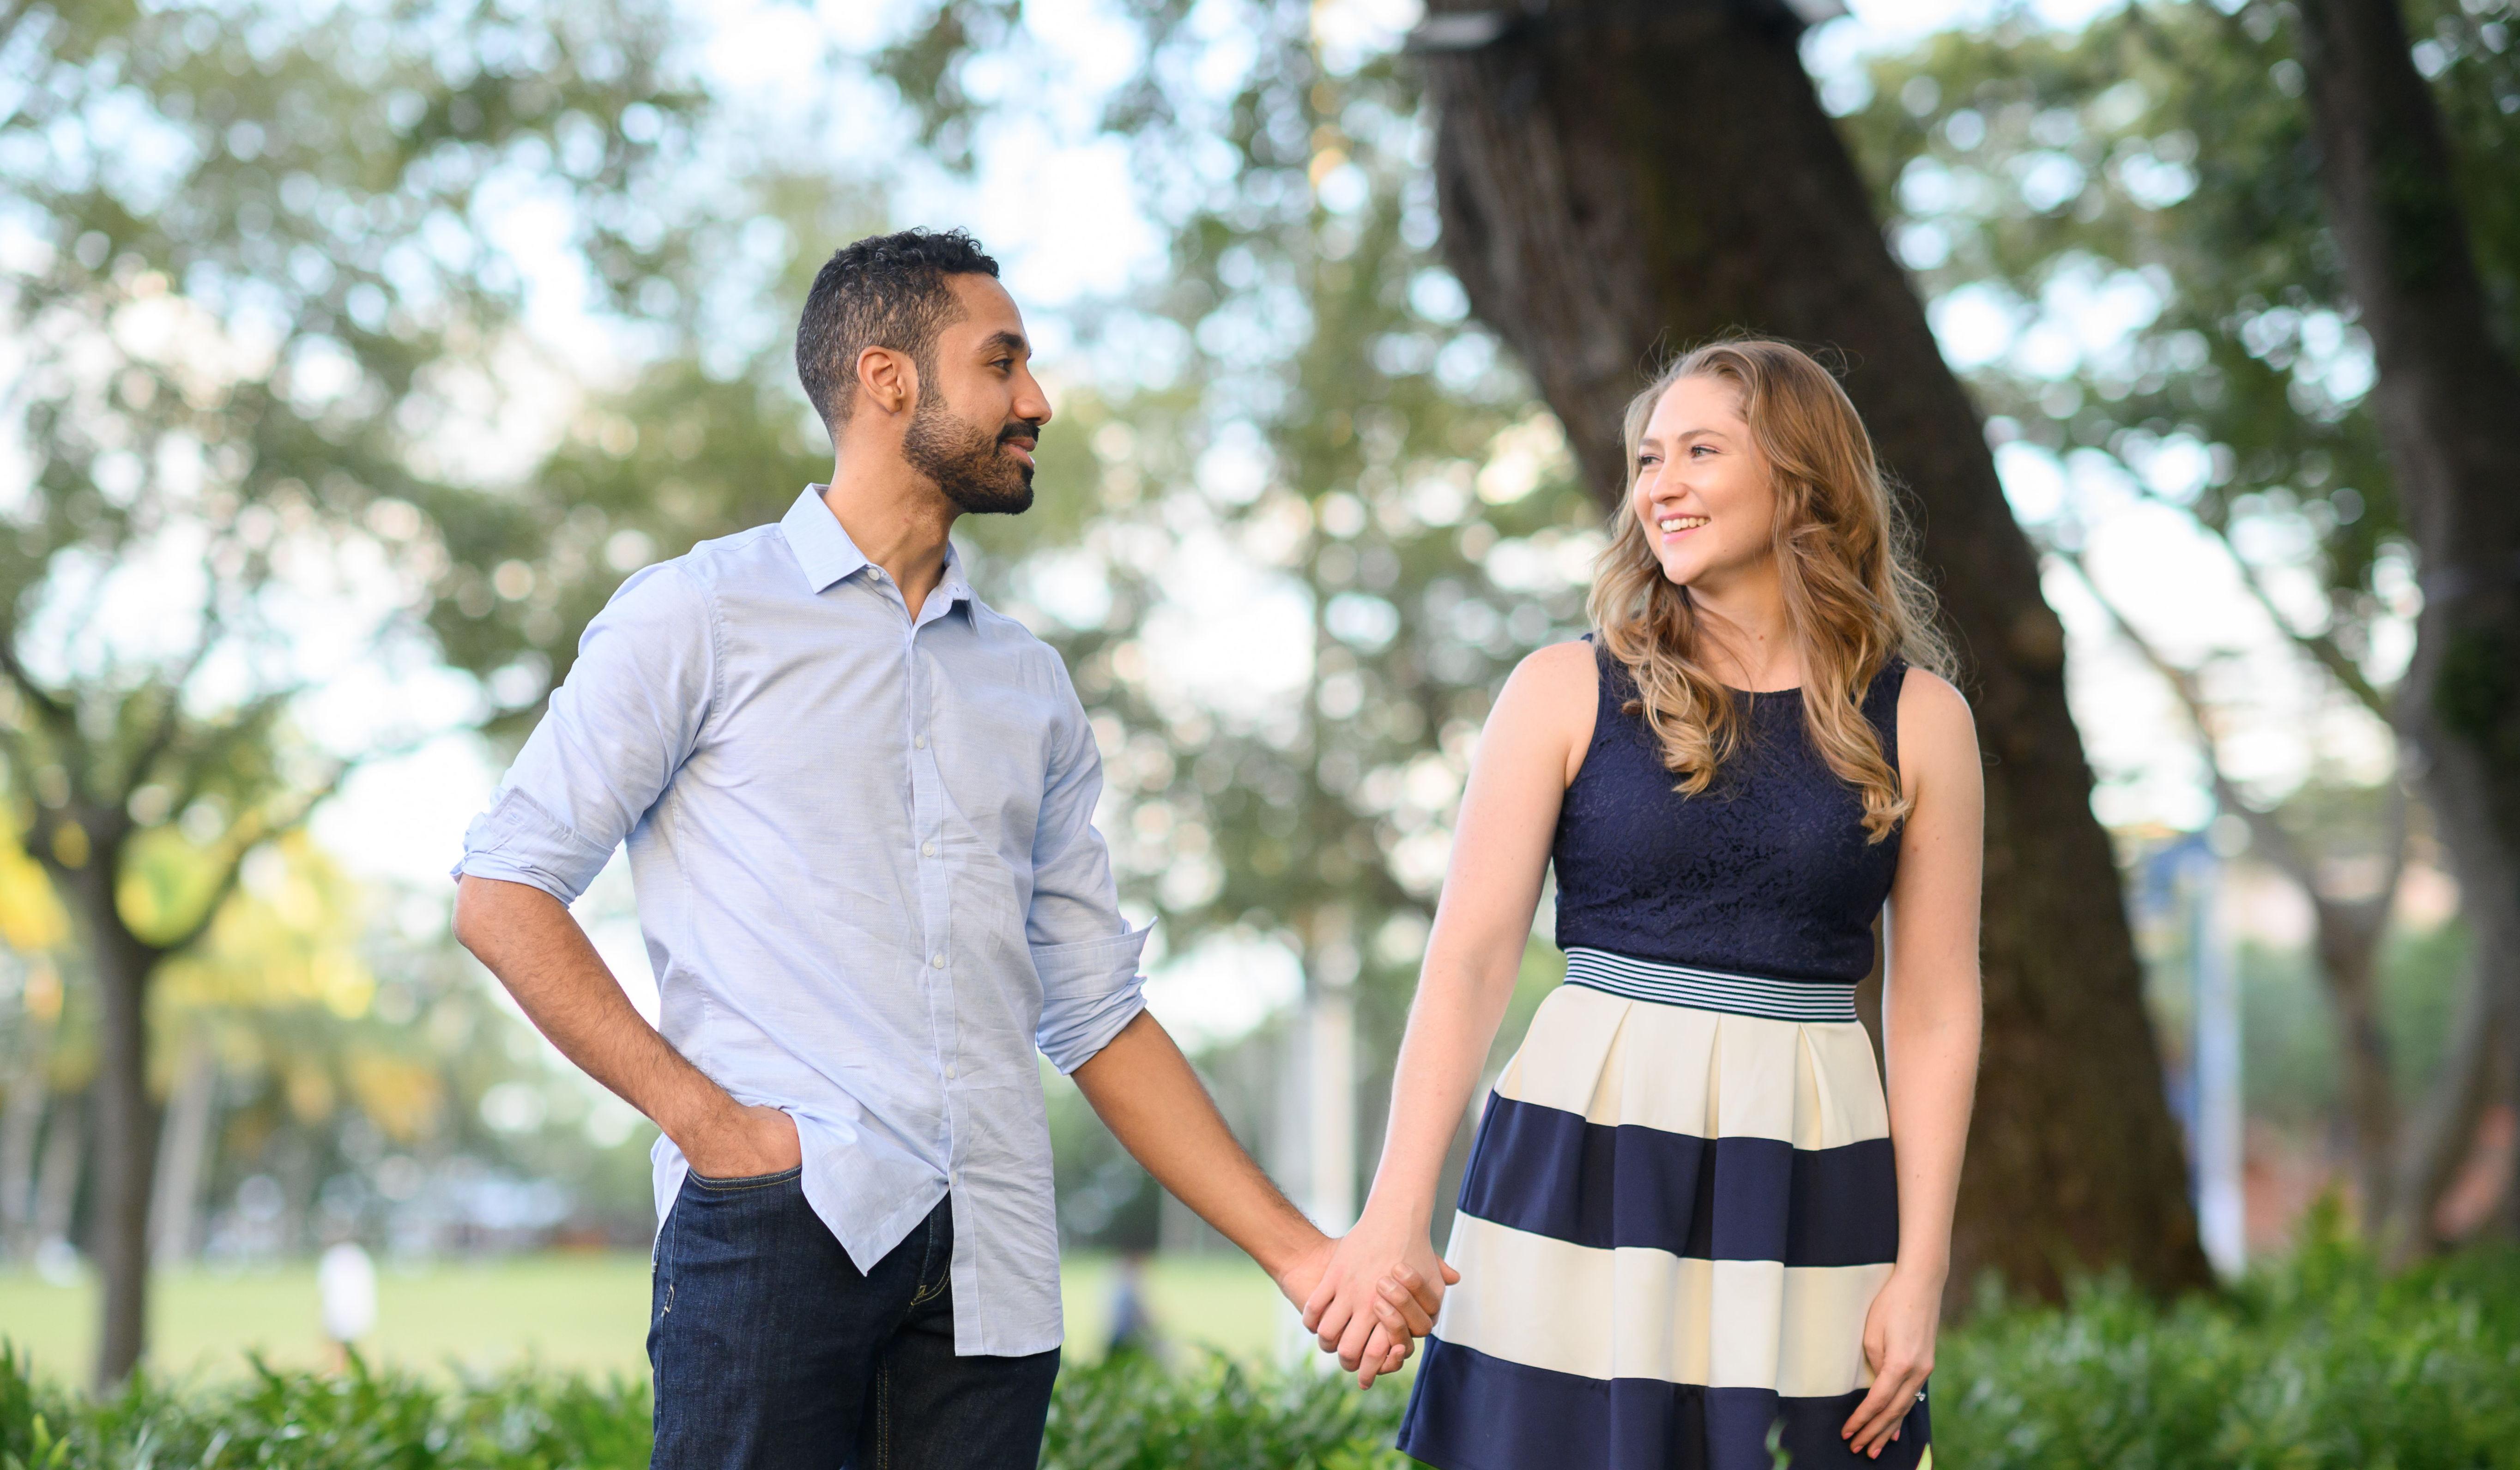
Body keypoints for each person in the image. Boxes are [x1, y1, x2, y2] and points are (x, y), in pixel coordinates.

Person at [452, 227, 1426, 1470]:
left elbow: (1095, 1010)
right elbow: (504, 891)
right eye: (1001, 363)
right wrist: (715, 1130)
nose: (1038, 400)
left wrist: (1305, 1258)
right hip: (778, 1227)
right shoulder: (698, 614)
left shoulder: (1028, 684)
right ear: (888, 379)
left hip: (992, 1258)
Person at [1304, 340, 1984, 1469]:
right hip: (1583, 1154)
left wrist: (1921, 1269)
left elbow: (1933, 1014)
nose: (1659, 483)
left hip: (1808, 1169)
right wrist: (1393, 1213)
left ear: (1800, 478)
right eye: (1647, 458)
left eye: (1699, 451)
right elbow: (1468, 960)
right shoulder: (1562, 688)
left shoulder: (1920, 720)